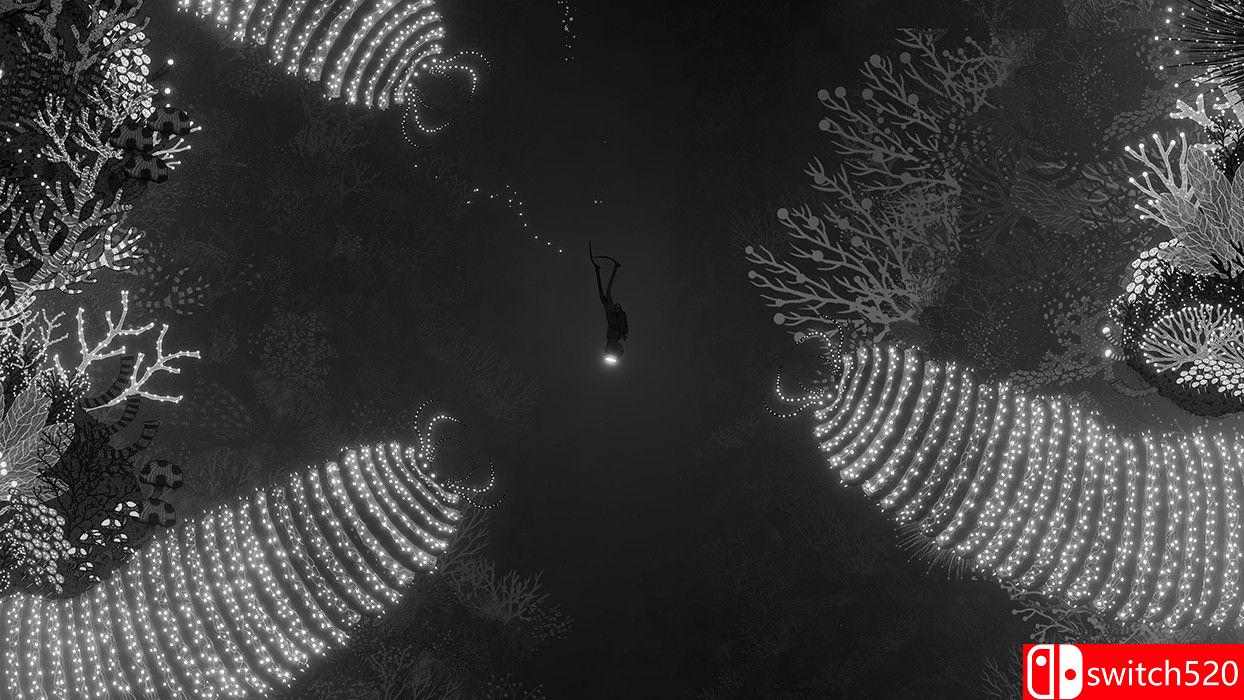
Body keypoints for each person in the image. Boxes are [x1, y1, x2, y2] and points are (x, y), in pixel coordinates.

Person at [590, 243, 628, 365]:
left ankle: (598, 270)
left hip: (609, 314)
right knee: (606, 292)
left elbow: (613, 351)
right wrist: (618, 311)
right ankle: (612, 268)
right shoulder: (618, 334)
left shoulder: (611, 340)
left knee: (603, 295)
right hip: (612, 313)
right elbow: (622, 319)